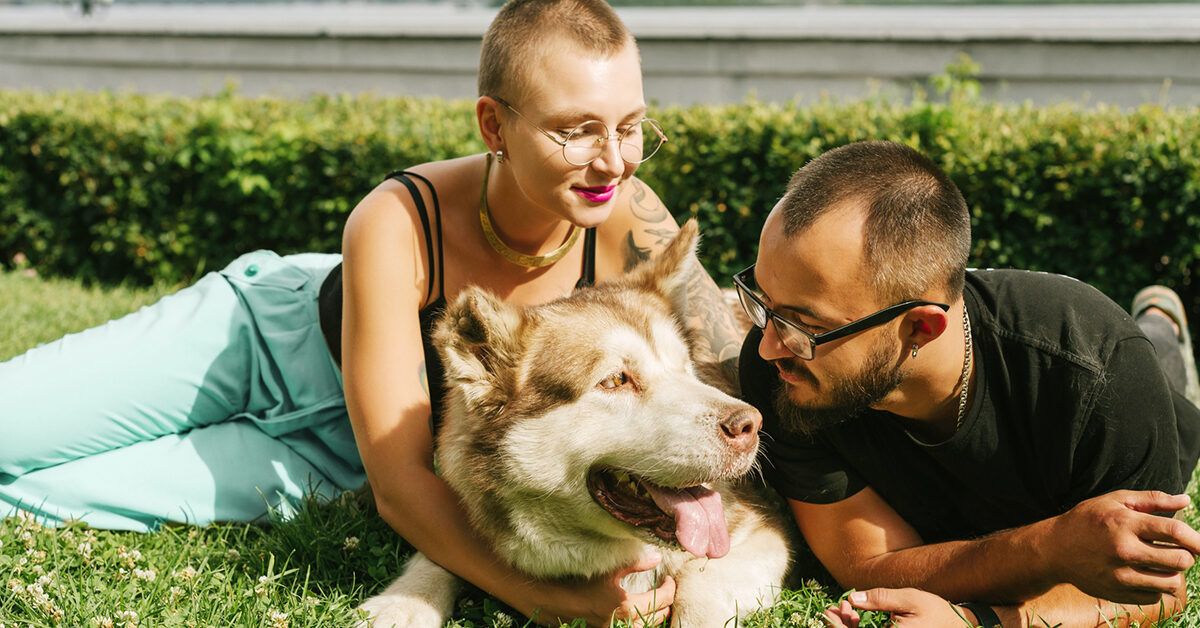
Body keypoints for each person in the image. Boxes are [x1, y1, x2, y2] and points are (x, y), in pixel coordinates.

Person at [0, 1, 746, 625]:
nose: (613, 160)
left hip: (330, 457)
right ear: (494, 127)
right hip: (257, 343)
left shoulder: (632, 218)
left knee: (34, 496)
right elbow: (403, 487)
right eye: (575, 129)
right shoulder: (396, 218)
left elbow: (725, 375)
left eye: (629, 126)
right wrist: (545, 598)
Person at [732, 140, 1200, 627]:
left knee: (1161, 360)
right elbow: (866, 567)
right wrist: (1049, 547)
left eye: (803, 324)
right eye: (762, 300)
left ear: (920, 327)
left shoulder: (1096, 369)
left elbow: (1154, 592)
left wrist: (981, 621)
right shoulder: (783, 374)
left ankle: (1162, 322)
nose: (769, 346)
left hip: (1147, 383)